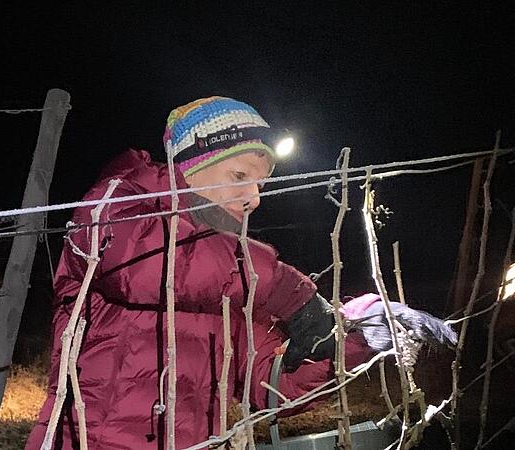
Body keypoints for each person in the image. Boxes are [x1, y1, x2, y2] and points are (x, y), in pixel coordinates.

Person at [26, 96, 456, 449]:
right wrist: (292, 293)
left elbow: (269, 387)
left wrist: (349, 341)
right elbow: (143, 268)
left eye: (261, 184)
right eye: (239, 175)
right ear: (189, 166)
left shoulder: (234, 281)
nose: (253, 197)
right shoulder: (121, 202)